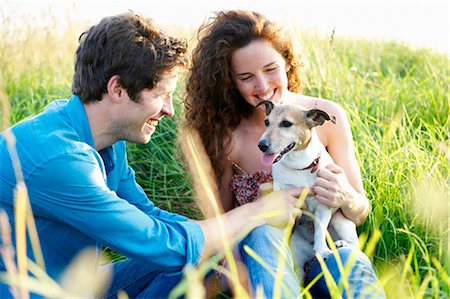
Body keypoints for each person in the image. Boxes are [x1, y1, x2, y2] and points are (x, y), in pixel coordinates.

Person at [0, 12, 303, 299]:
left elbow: (150, 216)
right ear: (118, 89)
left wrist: (225, 243)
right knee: (193, 249)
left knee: (208, 252)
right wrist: (256, 211)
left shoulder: (102, 139)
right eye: (161, 95)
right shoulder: (61, 159)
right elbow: (162, 244)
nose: (170, 111)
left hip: (77, 285)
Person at [184, 9, 386, 298]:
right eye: (246, 77)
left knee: (348, 261)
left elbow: (361, 213)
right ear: (230, 81)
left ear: (288, 64)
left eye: (270, 69)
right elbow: (220, 226)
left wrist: (346, 197)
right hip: (265, 263)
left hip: (325, 251)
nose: (263, 87)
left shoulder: (325, 116)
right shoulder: (225, 137)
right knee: (262, 233)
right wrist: (261, 209)